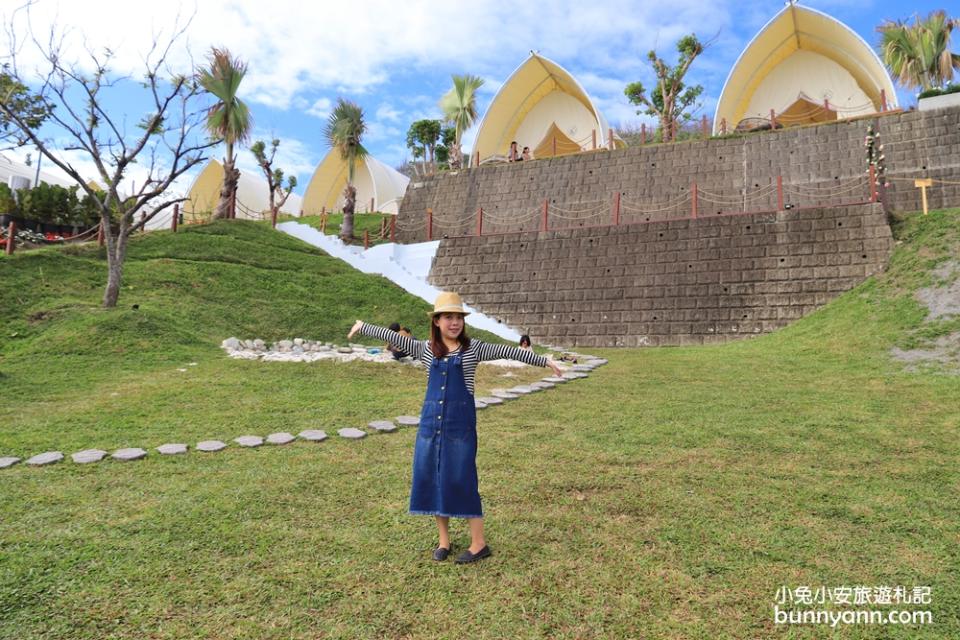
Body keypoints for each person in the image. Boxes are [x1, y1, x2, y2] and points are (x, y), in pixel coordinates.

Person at [348, 292, 563, 564]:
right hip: (430, 424)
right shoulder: (425, 349)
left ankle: (479, 544)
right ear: (437, 321)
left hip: (460, 426)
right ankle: (444, 541)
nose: (454, 322)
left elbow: (506, 350)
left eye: (458, 317)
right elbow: (397, 339)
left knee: (463, 478)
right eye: (448, 317)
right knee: (434, 477)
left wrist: (544, 361)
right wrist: (363, 326)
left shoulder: (473, 349)